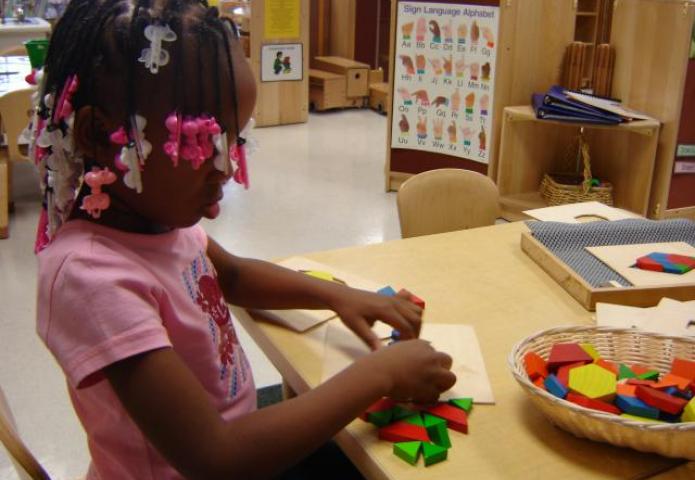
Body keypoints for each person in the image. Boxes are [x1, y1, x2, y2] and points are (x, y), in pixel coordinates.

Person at [31, 1, 457, 479]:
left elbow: (232, 275)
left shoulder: (155, 220)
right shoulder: (91, 278)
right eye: (199, 143)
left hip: (242, 431)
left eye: (233, 142)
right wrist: (382, 373)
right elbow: (216, 457)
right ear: (97, 134)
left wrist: (340, 296)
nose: (227, 168)